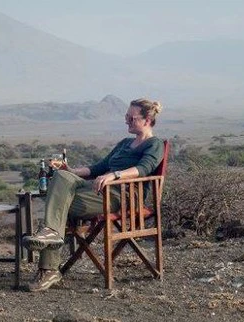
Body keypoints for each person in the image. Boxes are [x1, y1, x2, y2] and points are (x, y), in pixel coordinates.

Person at [22, 98, 165, 292]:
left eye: (131, 118)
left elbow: (143, 168)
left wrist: (114, 175)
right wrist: (69, 170)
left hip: (122, 195)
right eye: (126, 117)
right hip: (100, 190)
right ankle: (51, 236)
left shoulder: (154, 144)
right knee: (62, 178)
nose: (127, 121)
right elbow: (98, 167)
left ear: (147, 119)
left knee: (57, 206)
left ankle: (49, 269)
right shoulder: (124, 143)